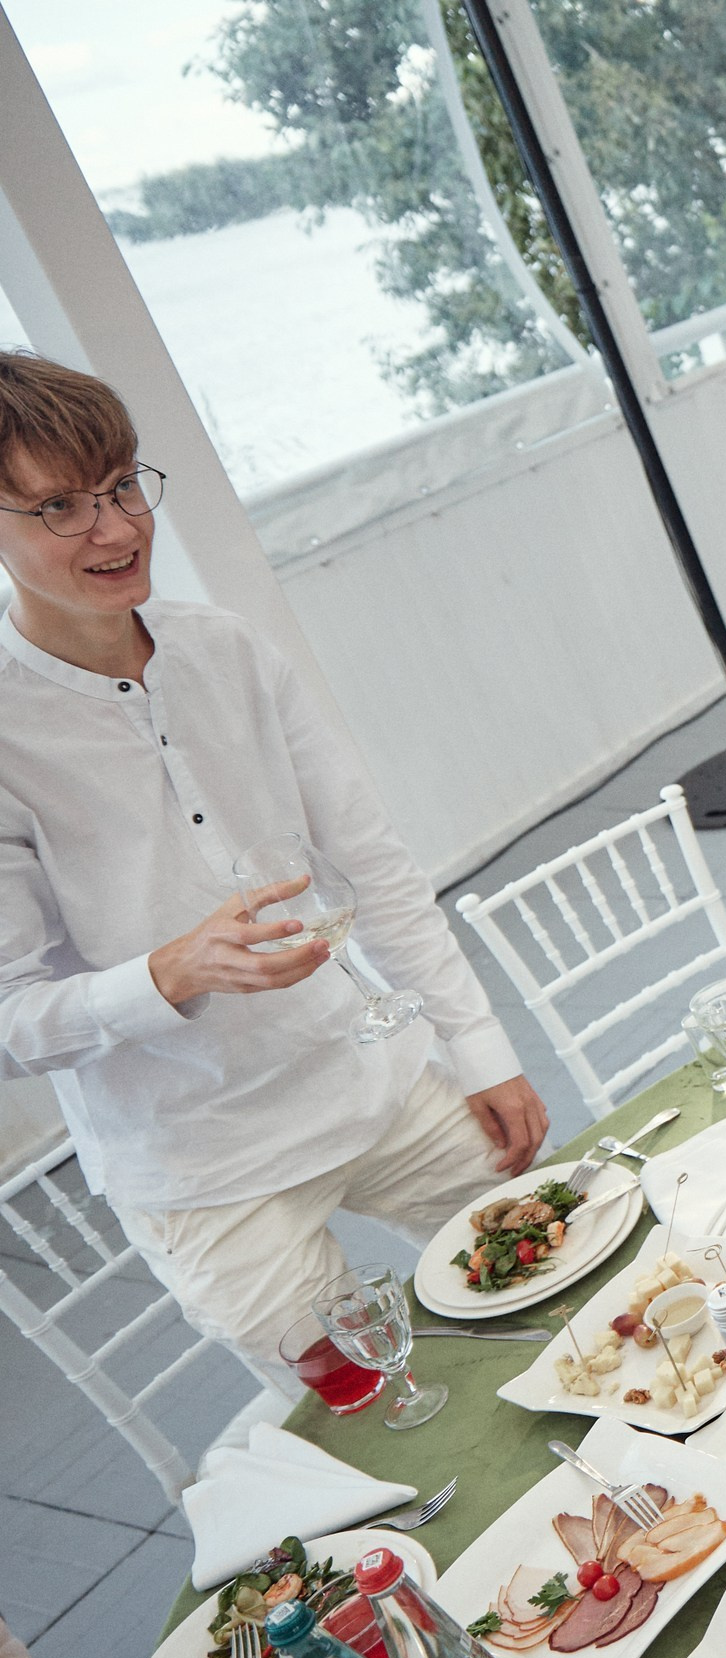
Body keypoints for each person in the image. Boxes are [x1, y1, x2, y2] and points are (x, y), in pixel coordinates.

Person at [0, 352, 548, 1394]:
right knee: (374, 1408)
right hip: (206, 1175)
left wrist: (479, 1049)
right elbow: (9, 1018)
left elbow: (370, 865)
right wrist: (167, 973)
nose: (115, 530)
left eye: (120, 486)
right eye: (58, 507)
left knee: (570, 1273)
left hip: (364, 1082)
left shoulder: (227, 652)